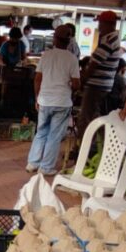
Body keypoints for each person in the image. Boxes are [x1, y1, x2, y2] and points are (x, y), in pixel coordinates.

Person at [26, 26, 80, 175]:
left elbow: (37, 79)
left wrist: (37, 97)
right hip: (62, 102)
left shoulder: (46, 56)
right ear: (69, 41)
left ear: (55, 39)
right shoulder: (72, 58)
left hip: (44, 100)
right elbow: (76, 84)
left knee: (41, 132)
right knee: (54, 135)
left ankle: (32, 163)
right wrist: (69, 84)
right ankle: (46, 167)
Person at [77, 10, 125, 135]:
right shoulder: (110, 39)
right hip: (100, 85)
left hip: (97, 85)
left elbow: (93, 65)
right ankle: (94, 146)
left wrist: (82, 81)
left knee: (85, 118)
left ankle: (86, 148)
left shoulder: (109, 40)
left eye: (101, 23)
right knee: (93, 116)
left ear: (108, 24)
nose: (99, 26)